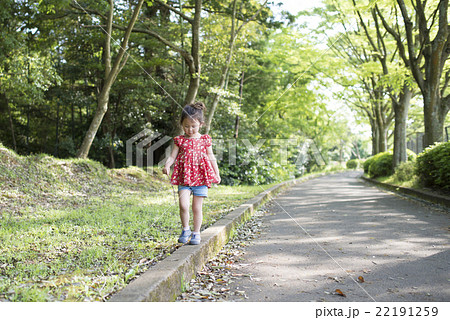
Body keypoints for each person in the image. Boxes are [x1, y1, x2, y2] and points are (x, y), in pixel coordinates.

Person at [163, 102, 221, 245]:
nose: (189, 129)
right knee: (183, 205)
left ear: (201, 124)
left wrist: (217, 173)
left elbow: (211, 157)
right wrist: (167, 165)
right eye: (186, 126)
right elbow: (172, 156)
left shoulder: (204, 139)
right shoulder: (180, 140)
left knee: (196, 207)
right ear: (182, 125)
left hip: (200, 178)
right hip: (184, 178)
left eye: (193, 126)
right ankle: (186, 229)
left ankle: (196, 233)